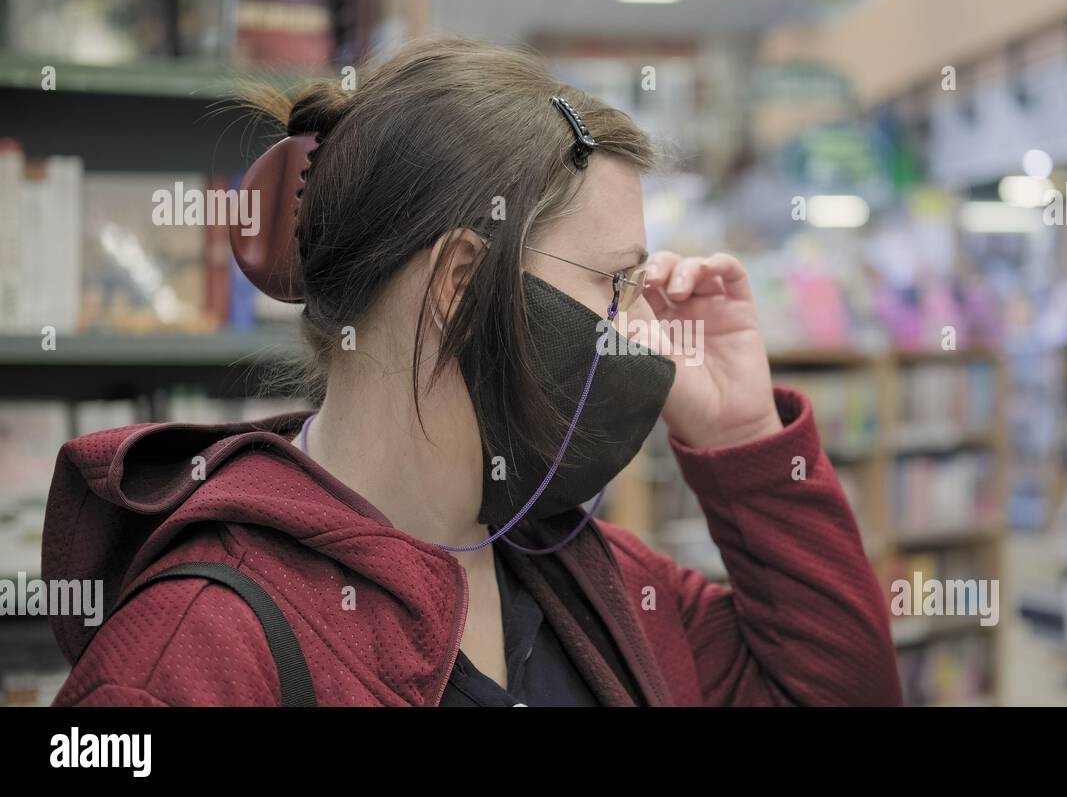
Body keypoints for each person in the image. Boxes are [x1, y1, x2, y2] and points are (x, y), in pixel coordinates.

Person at [43, 38, 901, 706]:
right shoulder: (189, 659)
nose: (646, 327)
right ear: (460, 284)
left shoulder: (588, 574)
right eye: (616, 283)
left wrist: (743, 437)